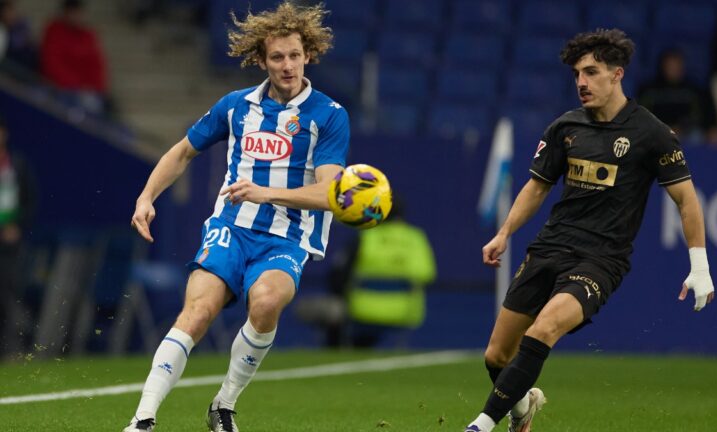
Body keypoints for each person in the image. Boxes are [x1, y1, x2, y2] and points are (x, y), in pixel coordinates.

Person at [463, 29, 715, 432]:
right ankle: (523, 407)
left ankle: (480, 425)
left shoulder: (652, 134)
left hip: (601, 260)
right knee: (496, 355)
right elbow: (537, 186)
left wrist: (699, 266)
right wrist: (504, 233)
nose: (581, 82)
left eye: (591, 72)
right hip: (548, 248)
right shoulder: (566, 127)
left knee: (545, 328)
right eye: (577, 74)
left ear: (617, 74)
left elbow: (687, 199)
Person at [123, 2, 347, 431]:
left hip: (288, 238)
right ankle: (143, 419)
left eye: (294, 56)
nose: (287, 65)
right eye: (277, 57)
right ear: (261, 60)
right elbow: (183, 151)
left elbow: (329, 193)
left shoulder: (329, 115)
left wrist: (266, 193)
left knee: (265, 303)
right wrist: (147, 196)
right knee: (199, 310)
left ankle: (223, 404)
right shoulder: (236, 106)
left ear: (308, 55)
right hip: (231, 227)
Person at [325, 198, 436, 348]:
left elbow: (338, 276)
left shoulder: (366, 236)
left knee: (332, 309)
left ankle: (337, 349)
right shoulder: (416, 237)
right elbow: (427, 274)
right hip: (404, 310)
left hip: (362, 310)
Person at [0, 115, 36, 357]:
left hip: (10, 244)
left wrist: (17, 226)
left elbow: (30, 200)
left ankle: (10, 347)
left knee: (8, 293)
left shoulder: (17, 164)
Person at [40, 0, 108, 114]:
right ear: (65, 13)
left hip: (87, 91)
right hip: (63, 89)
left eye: (79, 13)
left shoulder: (88, 35)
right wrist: (76, 87)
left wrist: (95, 88)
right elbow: (52, 63)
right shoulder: (54, 31)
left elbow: (97, 65)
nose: (76, 17)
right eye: (73, 13)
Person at [637, 48, 711, 142]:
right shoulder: (649, 90)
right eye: (670, 66)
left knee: (696, 135)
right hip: (657, 131)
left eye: (677, 66)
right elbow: (643, 115)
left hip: (685, 131)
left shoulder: (692, 90)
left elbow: (697, 115)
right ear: (663, 66)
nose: (674, 69)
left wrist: (681, 127)